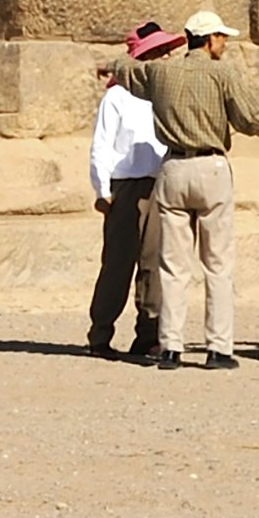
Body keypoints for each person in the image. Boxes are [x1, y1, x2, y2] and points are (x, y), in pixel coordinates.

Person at [124, 10, 259, 368]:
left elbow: (125, 71)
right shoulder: (222, 73)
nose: (225, 43)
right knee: (217, 264)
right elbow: (252, 120)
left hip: (174, 168)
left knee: (173, 265)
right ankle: (218, 348)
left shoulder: (160, 71)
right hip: (211, 167)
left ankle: (170, 346)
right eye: (222, 37)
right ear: (210, 39)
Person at [86, 25, 178, 363]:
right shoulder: (117, 96)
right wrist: (102, 189)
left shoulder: (166, 91)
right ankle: (100, 334)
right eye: (160, 51)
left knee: (154, 263)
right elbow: (103, 145)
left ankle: (148, 335)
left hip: (159, 182)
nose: (167, 57)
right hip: (126, 186)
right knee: (117, 264)